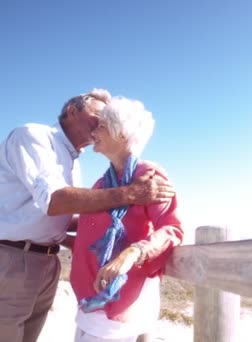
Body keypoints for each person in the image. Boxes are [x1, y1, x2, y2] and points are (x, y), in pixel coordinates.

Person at [0, 89, 176, 342]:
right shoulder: (34, 136)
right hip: (0, 259)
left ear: (121, 131)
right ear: (72, 110)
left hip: (43, 263)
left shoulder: (79, 163)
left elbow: (53, 216)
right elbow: (54, 201)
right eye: (98, 116)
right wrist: (132, 193)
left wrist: (128, 247)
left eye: (107, 120)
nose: (100, 125)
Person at [68, 96, 183, 342]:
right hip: (89, 298)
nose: (93, 131)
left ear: (121, 134)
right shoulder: (103, 183)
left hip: (118, 300)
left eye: (101, 126)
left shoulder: (149, 175)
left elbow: (171, 229)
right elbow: (92, 228)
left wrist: (131, 254)